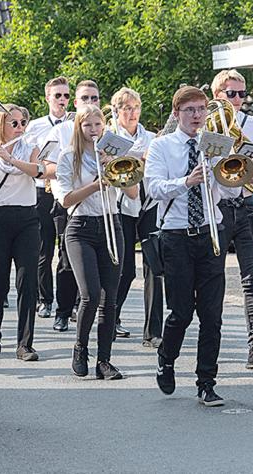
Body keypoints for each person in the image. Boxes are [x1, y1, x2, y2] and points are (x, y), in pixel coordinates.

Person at [145, 85, 228, 407]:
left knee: (212, 315)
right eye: (190, 110)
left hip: (210, 231)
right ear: (177, 113)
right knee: (181, 312)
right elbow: (152, 189)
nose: (197, 116)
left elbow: (228, 192)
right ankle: (166, 359)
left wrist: (220, 177)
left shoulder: (214, 144)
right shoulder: (162, 146)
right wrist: (186, 181)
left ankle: (206, 383)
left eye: (201, 109)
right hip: (176, 235)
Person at [54, 104, 138, 379]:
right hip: (80, 227)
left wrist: (111, 167)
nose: (93, 130)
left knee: (109, 299)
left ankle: (105, 361)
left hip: (111, 224)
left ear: (104, 127)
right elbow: (66, 200)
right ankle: (80, 347)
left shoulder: (112, 155)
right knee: (90, 294)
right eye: (87, 125)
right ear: (78, 127)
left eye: (98, 125)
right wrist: (95, 183)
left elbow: (133, 192)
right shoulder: (68, 157)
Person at [207, 69, 253, 369]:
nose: (237, 99)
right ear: (218, 95)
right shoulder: (206, 125)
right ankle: (211, 344)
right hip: (217, 208)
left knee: (252, 279)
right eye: (231, 94)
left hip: (246, 205)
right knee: (213, 278)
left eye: (242, 94)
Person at [0, 105, 41, 361]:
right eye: (13, 123)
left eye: (22, 122)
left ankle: (25, 344)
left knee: (27, 282)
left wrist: (11, 159)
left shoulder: (31, 149)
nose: (19, 128)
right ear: (1, 125)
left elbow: (37, 171)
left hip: (27, 218)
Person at [43, 80, 100, 331]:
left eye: (94, 98)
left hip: (99, 206)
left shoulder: (103, 130)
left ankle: (84, 308)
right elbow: (45, 166)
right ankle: (63, 311)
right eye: (85, 99)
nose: (90, 103)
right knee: (66, 260)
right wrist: (73, 168)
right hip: (68, 203)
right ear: (75, 103)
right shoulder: (61, 131)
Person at [108, 88, 163, 347]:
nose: (132, 113)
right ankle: (109, 319)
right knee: (125, 270)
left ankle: (153, 332)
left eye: (135, 107)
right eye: (126, 108)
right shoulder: (109, 137)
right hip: (122, 207)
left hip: (150, 203)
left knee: (155, 268)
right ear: (117, 111)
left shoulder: (153, 138)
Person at [24, 77, 71, 320]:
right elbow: (32, 159)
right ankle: (46, 300)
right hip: (43, 190)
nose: (62, 100)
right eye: (58, 96)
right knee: (44, 250)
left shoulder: (76, 123)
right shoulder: (36, 126)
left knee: (66, 248)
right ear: (48, 98)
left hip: (65, 191)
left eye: (66, 96)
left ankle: (67, 303)